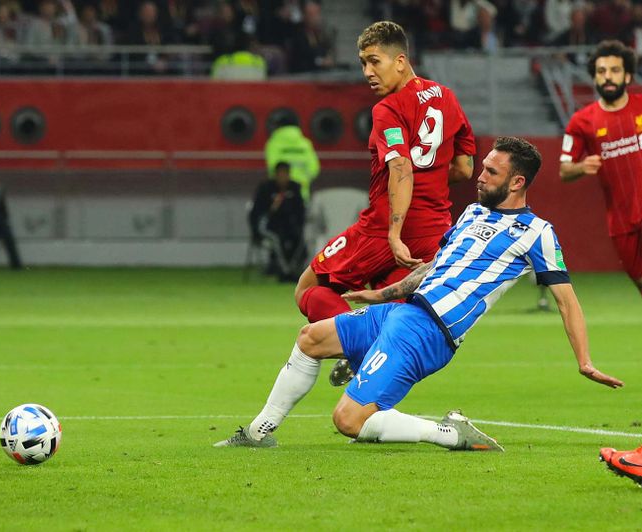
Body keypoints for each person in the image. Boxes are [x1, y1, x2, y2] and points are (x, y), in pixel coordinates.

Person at [215, 137, 623, 450]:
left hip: (429, 331)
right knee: (311, 337)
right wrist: (380, 295)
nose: (480, 176)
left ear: (518, 182)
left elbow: (566, 300)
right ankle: (259, 432)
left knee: (348, 420)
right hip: (402, 310)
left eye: (492, 173)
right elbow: (432, 269)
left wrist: (584, 361)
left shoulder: (538, 232)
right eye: (483, 168)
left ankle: (448, 432)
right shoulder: (472, 212)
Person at [295, 21, 475, 386]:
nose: (367, 72)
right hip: (437, 228)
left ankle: (363, 351)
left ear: (400, 61)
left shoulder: (388, 109)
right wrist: (429, 180)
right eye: (363, 63)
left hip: (383, 228)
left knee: (309, 289)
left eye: (374, 61)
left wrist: (394, 231)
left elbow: (400, 166)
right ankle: (377, 373)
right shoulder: (446, 96)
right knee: (397, 312)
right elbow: (464, 167)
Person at [560, 40, 642, 296]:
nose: (608, 77)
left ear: (627, 75)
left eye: (615, 71)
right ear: (594, 77)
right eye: (602, 71)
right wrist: (582, 166)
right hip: (622, 222)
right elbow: (564, 170)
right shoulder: (581, 121)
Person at [249, 162, 306, 281]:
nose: (283, 177)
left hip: (289, 225)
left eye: (286, 174)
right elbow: (256, 213)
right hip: (270, 226)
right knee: (278, 239)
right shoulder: (265, 189)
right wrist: (273, 207)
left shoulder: (294, 188)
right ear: (275, 175)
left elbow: (300, 211)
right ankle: (285, 272)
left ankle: (295, 269)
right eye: (281, 174)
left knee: (298, 239)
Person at [264, 114, 319, 203]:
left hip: (279, 194)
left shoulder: (273, 143)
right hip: (302, 193)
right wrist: (304, 180)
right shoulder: (305, 143)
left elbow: (272, 167)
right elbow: (314, 169)